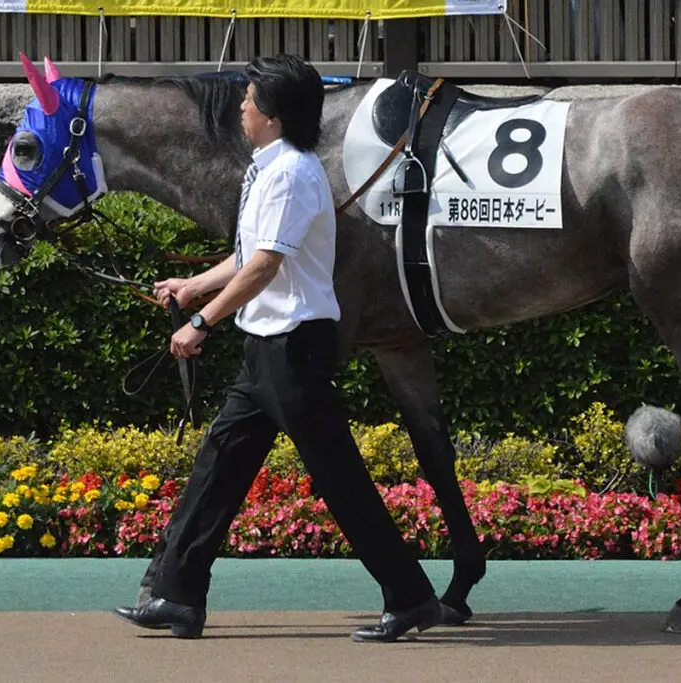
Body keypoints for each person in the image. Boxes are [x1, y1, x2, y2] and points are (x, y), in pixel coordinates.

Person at [112, 53, 443, 642]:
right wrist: (193, 286)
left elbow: (265, 265)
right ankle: (177, 596)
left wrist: (202, 322)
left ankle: (412, 597)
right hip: (268, 350)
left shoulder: (290, 173)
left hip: (294, 350)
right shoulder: (269, 168)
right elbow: (249, 254)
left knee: (338, 479)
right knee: (218, 467)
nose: (241, 106)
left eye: (249, 99)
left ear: (274, 114)